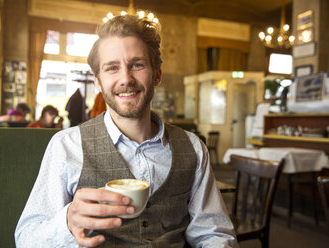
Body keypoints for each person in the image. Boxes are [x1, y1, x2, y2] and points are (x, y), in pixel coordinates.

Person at [15, 14, 237, 247]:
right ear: (98, 82)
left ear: (157, 74)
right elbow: (26, 240)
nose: (126, 79)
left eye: (137, 65)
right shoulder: (66, 146)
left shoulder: (193, 148)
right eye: (112, 68)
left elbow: (214, 233)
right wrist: (67, 223)